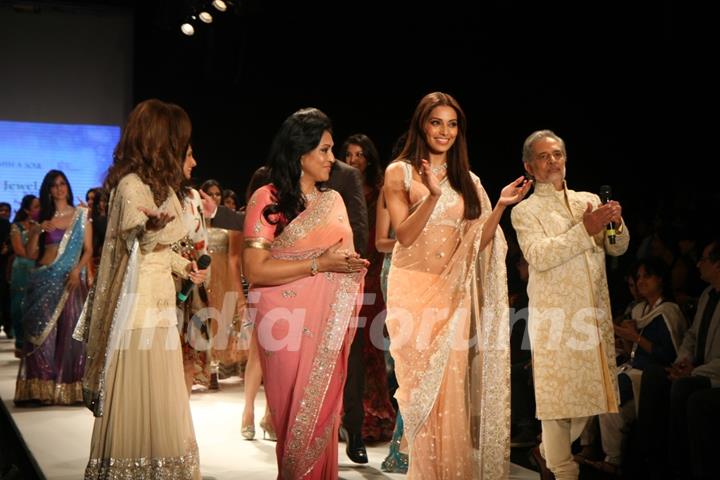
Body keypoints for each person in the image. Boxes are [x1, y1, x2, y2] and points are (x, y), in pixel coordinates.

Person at [383, 91, 530, 478]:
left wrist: (498, 207)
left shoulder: (469, 181)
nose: (444, 131)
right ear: (421, 125)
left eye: (452, 124)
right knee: (418, 391)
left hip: (452, 295)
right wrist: (431, 195)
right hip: (412, 289)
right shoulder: (400, 172)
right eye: (436, 122)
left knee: (451, 391)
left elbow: (478, 245)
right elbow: (404, 235)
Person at [75, 99, 207, 479]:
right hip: (136, 317)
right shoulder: (131, 187)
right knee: (140, 401)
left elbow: (159, 251)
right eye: (183, 146)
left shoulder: (161, 189)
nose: (191, 159)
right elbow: (137, 239)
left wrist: (184, 265)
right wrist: (147, 230)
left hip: (161, 309)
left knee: (161, 403)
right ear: (161, 143)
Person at [243, 107, 368, 479]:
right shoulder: (267, 199)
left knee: (319, 418)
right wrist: (319, 264)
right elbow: (254, 270)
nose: (333, 158)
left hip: (323, 324)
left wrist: (347, 267)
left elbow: (341, 257)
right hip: (282, 324)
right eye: (325, 151)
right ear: (301, 152)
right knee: (292, 417)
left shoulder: (333, 201)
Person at [510, 129, 630, 480]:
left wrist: (616, 224)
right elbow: (538, 256)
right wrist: (585, 230)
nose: (553, 162)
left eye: (557, 154)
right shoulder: (526, 212)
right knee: (556, 403)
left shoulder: (586, 200)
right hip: (556, 318)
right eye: (544, 157)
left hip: (592, 316)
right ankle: (563, 469)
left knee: (588, 401)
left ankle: (546, 452)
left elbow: (617, 248)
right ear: (529, 166)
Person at [635, 237, 720, 479]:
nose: (698, 265)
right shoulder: (707, 295)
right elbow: (691, 335)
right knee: (654, 375)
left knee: (686, 391)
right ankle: (651, 461)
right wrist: (683, 360)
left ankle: (683, 468)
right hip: (695, 367)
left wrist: (692, 371)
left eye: (703, 260)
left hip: (712, 375)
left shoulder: (670, 309)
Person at [592, 258, 686, 475]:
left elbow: (671, 355)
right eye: (639, 277)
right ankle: (608, 457)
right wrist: (626, 336)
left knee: (612, 388)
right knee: (603, 392)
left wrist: (635, 336)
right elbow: (632, 351)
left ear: (660, 279)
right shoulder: (639, 309)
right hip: (633, 367)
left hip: (653, 374)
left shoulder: (669, 311)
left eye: (647, 276)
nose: (641, 281)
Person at [14, 170, 93, 405]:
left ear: (67, 186)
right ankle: (40, 389)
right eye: (54, 185)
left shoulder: (81, 215)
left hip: (69, 279)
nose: (59, 189)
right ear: (48, 190)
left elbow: (88, 249)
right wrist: (37, 232)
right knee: (42, 335)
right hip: (43, 279)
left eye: (62, 184)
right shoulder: (42, 218)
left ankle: (68, 388)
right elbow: (30, 255)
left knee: (69, 335)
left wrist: (77, 270)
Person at [8, 194, 40, 354]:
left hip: (38, 269)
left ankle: (34, 343)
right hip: (22, 269)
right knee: (19, 306)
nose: (39, 209)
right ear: (27, 210)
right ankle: (20, 342)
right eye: (36, 207)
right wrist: (36, 253)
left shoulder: (42, 226)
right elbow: (20, 251)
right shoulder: (16, 227)